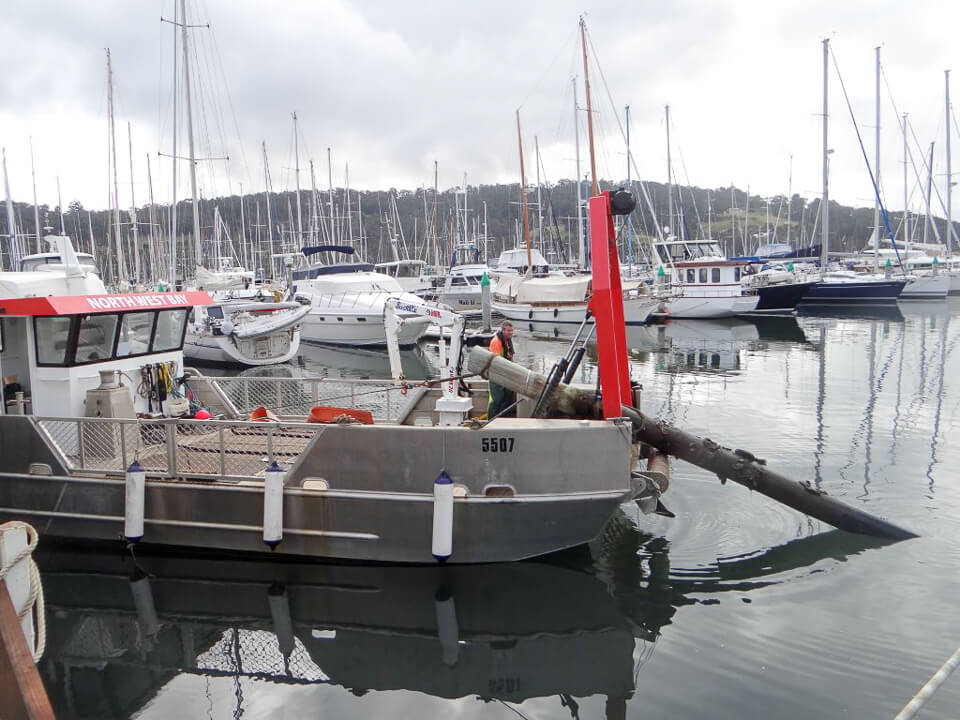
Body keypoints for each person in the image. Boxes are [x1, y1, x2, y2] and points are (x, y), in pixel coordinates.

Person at [487, 321, 517, 419]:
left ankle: (502, 419)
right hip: (495, 375)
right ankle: (490, 421)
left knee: (507, 398)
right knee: (496, 401)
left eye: (512, 331)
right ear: (503, 330)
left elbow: (510, 358)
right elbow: (496, 361)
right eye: (508, 331)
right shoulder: (496, 342)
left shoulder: (507, 341)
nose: (511, 333)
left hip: (504, 374)